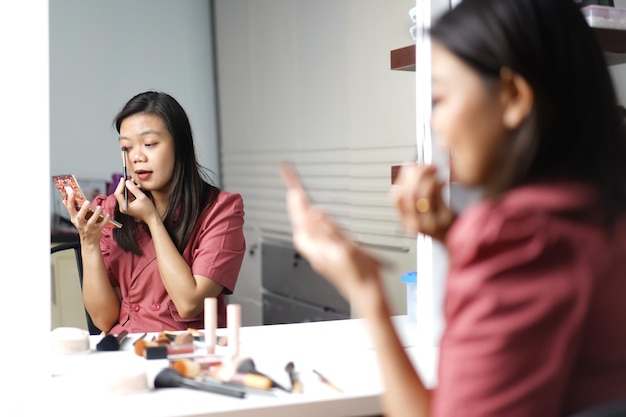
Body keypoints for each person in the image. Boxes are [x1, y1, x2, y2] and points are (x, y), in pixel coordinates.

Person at [280, 0, 626, 416]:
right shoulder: (597, 216)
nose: (434, 123)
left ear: (514, 96)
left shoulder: (522, 243)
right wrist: (452, 232)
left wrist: (366, 289)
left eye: (440, 99)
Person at [65, 91, 246, 334]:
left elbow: (189, 303)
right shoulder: (111, 209)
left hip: (187, 348)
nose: (137, 157)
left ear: (180, 145)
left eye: (149, 144)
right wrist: (89, 242)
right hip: (127, 348)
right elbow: (104, 320)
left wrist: (152, 220)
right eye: (126, 147)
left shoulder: (221, 210)